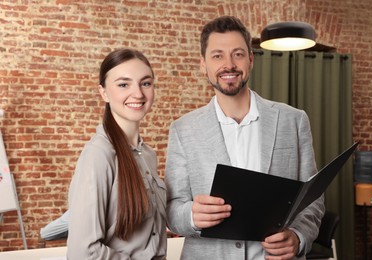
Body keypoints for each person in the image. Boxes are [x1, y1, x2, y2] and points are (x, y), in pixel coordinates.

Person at [164, 16, 325, 260]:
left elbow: (312, 200)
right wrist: (191, 216)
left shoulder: (294, 120)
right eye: (217, 56)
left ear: (250, 60)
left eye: (237, 54)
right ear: (203, 64)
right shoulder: (182, 129)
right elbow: (172, 207)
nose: (229, 65)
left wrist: (298, 237)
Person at [67, 48, 167, 260]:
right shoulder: (98, 155)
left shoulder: (148, 155)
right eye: (124, 84)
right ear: (103, 92)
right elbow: (83, 252)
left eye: (146, 83)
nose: (138, 93)